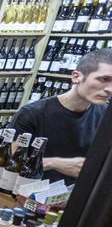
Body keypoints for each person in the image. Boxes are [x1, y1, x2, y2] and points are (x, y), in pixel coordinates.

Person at [8, 48, 112, 185]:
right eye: (104, 79)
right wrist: (54, 163)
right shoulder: (32, 113)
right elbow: (10, 164)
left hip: (76, 197)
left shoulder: (106, 117)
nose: (109, 89)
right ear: (76, 77)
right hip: (27, 194)